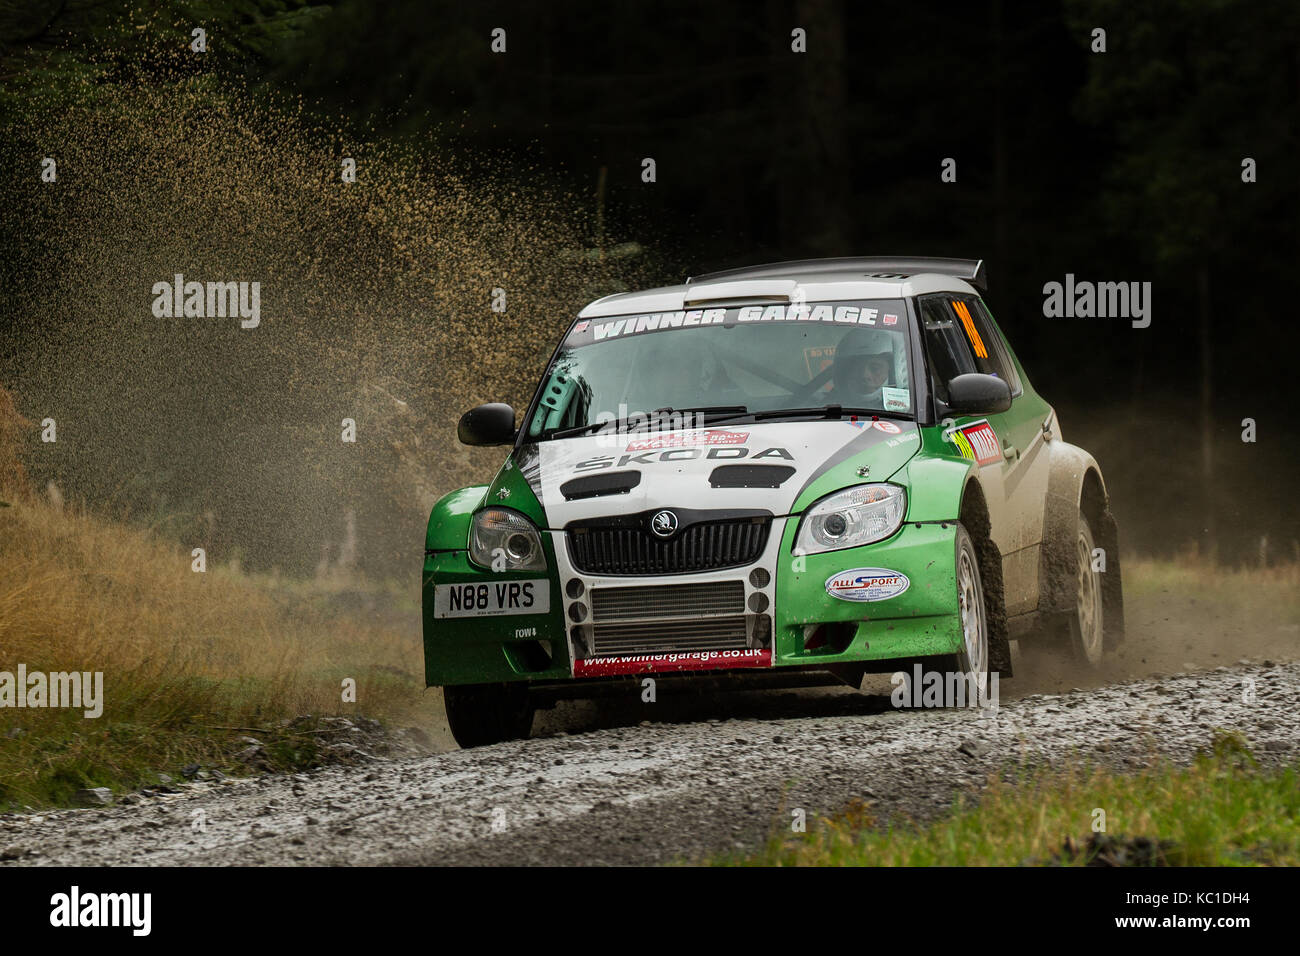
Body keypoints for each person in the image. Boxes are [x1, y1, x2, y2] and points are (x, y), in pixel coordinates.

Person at [831, 331, 897, 408]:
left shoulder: (907, 407)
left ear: (891, 372)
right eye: (857, 368)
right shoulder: (823, 407)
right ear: (844, 373)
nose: (865, 375)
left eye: (875, 368)